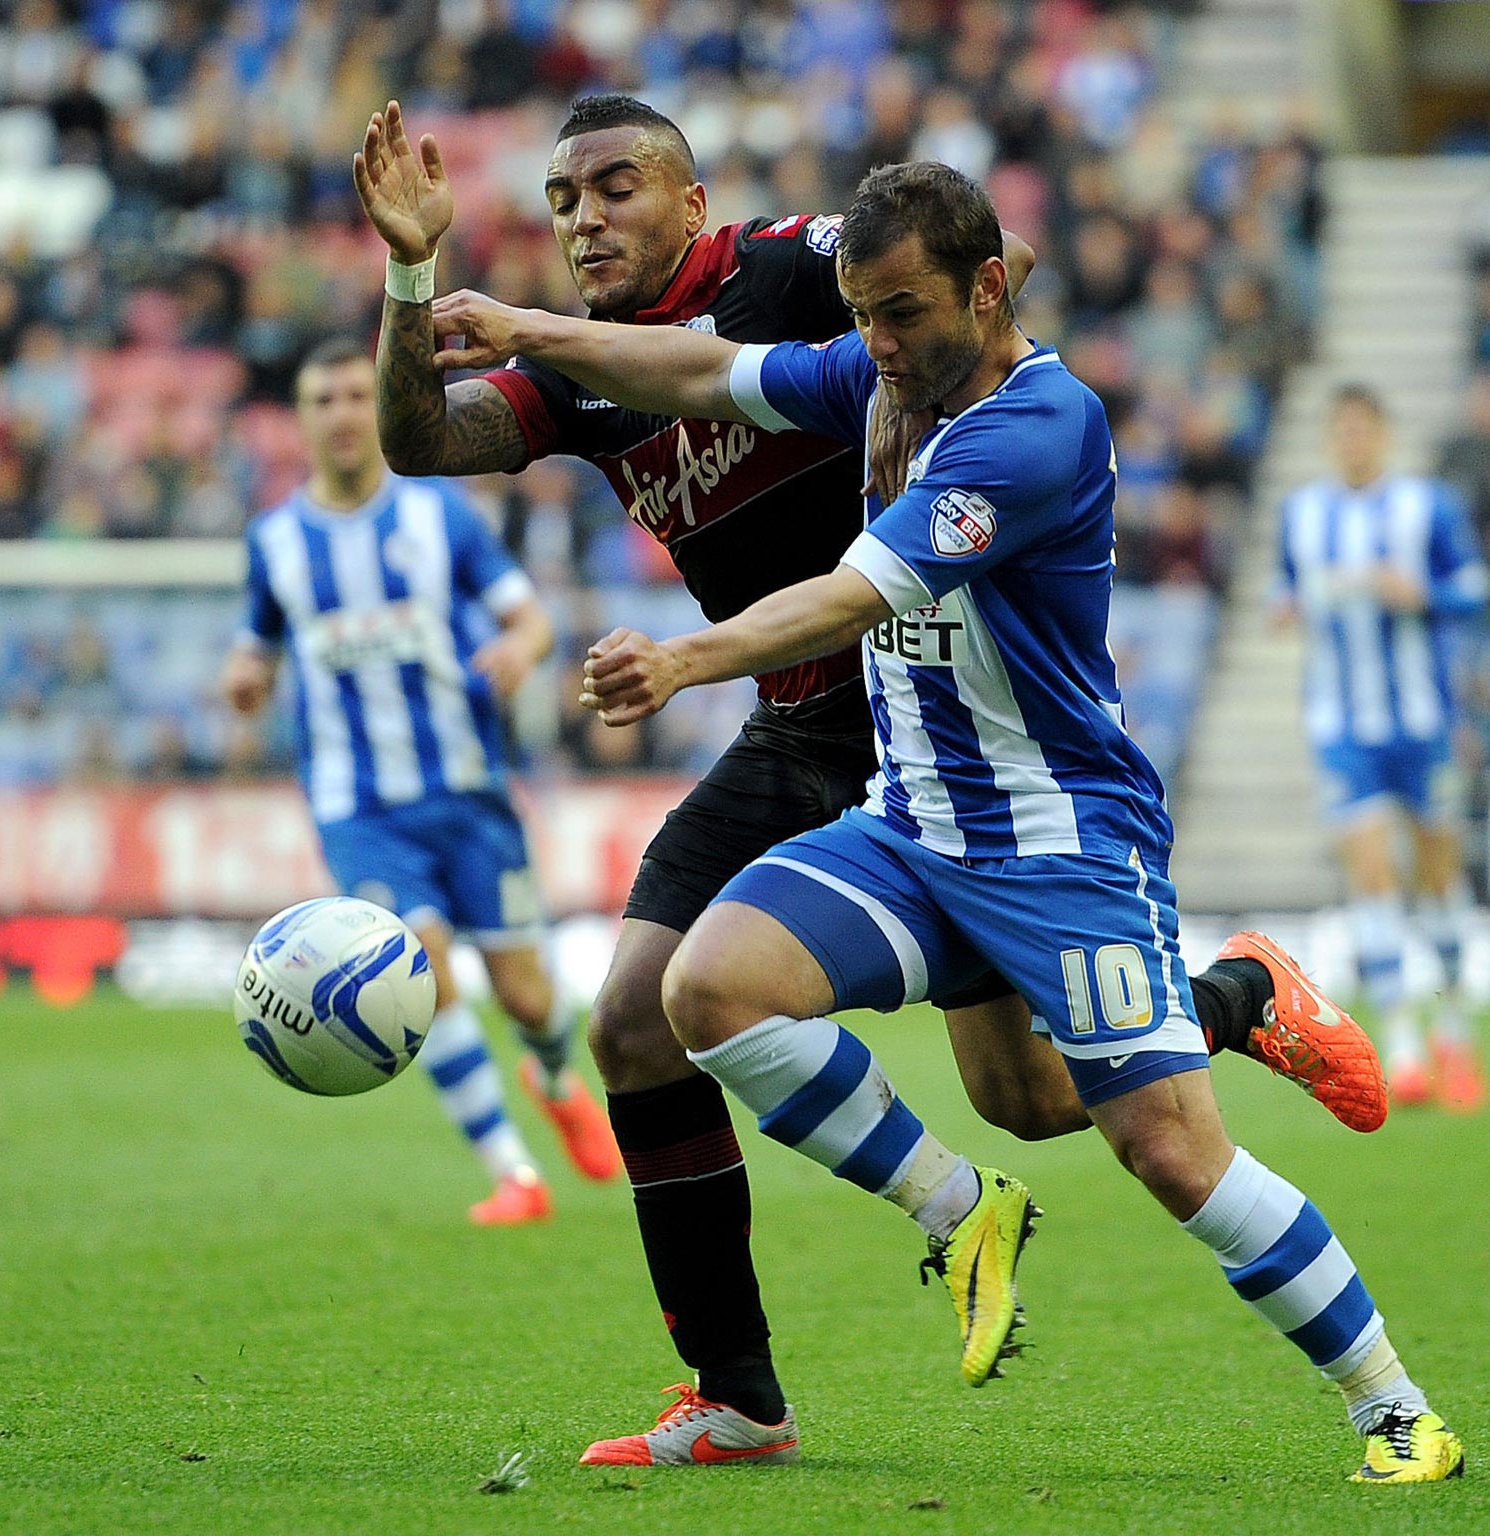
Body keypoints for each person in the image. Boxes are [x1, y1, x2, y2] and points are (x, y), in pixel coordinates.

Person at [357, 95, 1388, 1466]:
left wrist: (916, 431)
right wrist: (412, 275)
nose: (585, 217)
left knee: (1029, 1094)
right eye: (561, 200)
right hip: (799, 730)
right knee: (638, 1024)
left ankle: (1222, 1006)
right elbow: (422, 443)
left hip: (948, 718)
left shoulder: (798, 271)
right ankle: (744, 1391)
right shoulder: (590, 375)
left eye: (616, 187)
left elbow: (993, 258)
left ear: (691, 196)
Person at [221, 336, 620, 1225]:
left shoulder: (439, 518)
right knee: (423, 971)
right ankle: (513, 1174)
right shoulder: (276, 542)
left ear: (381, 407)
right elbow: (253, 655)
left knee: (529, 996)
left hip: (469, 790)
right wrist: (245, 682)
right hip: (359, 808)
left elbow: (532, 620)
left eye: (355, 397)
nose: (340, 415)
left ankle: (551, 1073)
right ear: (301, 420)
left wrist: (518, 649)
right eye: (321, 400)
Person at [1274, 386, 1490, 1110]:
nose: (1354, 441)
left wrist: (1423, 594)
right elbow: (1286, 587)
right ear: (1331, 439)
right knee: (1372, 876)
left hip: (1423, 722)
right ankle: (1402, 1043)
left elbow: (1475, 586)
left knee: (1438, 879)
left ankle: (1455, 1032)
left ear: (1384, 435)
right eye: (1343, 430)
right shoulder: (1302, 516)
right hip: (1341, 728)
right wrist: (1287, 609)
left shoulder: (1424, 507)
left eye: (1364, 429)